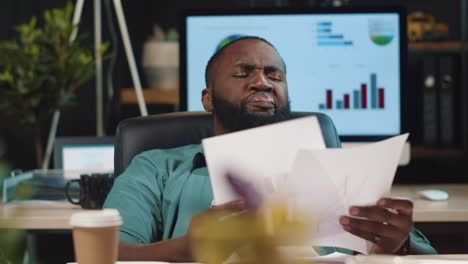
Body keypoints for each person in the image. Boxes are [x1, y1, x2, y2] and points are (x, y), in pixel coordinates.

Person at [103, 36, 436, 261]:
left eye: (274, 74)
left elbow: (424, 255)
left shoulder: (335, 171)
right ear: (208, 98)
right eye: (242, 73)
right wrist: (185, 250)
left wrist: (396, 244)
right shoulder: (157, 168)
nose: (262, 82)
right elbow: (105, 252)